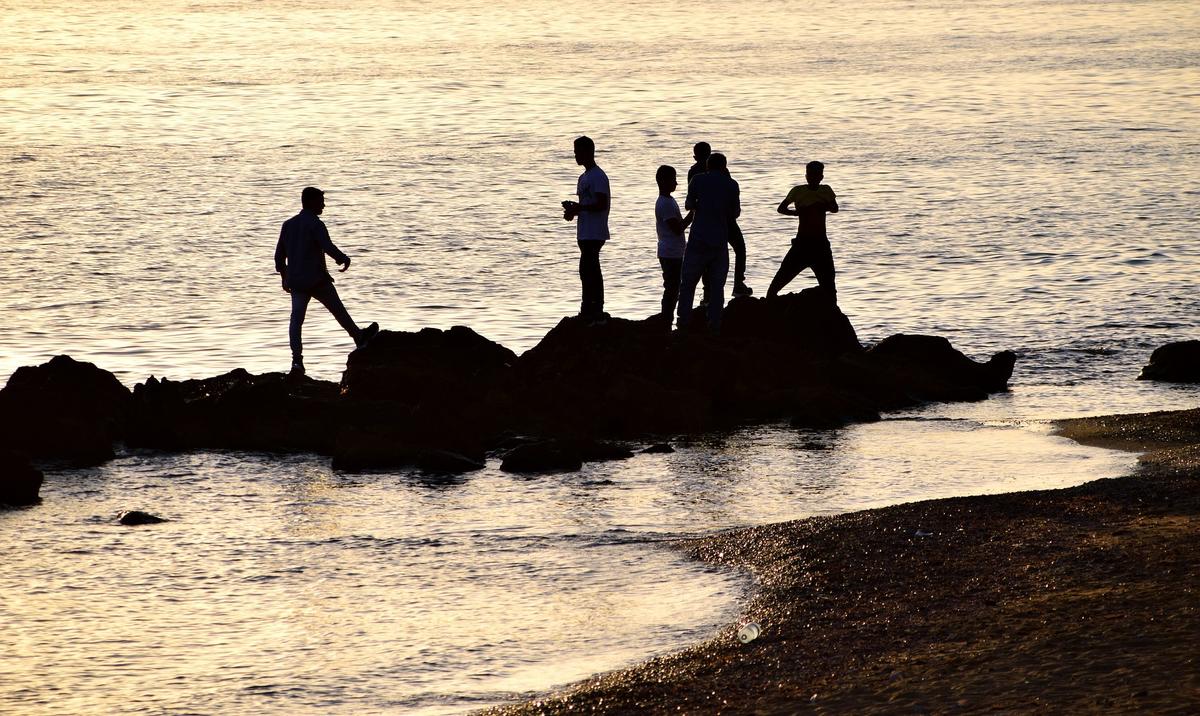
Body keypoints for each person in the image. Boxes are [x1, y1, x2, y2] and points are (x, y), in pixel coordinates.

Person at [275, 187, 378, 377]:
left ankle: (297, 361)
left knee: (296, 321)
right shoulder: (315, 224)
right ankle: (358, 337)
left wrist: (284, 278)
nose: (324, 204)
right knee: (338, 310)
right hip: (317, 280)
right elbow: (327, 246)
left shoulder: (288, 225)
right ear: (311, 202)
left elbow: (279, 256)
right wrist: (343, 258)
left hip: (297, 281)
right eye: (321, 201)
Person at [678, 153, 739, 332]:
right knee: (717, 286)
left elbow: (689, 205)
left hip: (698, 238)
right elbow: (735, 213)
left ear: (707, 166)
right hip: (719, 240)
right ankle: (714, 324)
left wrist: (700, 204)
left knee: (688, 283)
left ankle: (683, 321)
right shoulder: (732, 184)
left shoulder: (697, 180)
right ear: (724, 167)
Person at [766, 160, 839, 301]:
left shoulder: (826, 190)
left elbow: (835, 208)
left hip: (820, 245)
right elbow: (781, 208)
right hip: (802, 244)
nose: (813, 177)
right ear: (806, 176)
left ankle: (831, 313)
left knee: (829, 286)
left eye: (816, 175)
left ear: (821, 177)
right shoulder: (798, 191)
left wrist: (823, 206)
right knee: (780, 279)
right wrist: (797, 213)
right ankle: (769, 304)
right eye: (810, 174)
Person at [687, 141, 752, 297]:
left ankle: (707, 291)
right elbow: (733, 207)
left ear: (695, 156)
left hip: (703, 223)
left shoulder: (694, 174)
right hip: (725, 221)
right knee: (739, 249)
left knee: (705, 256)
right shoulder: (726, 175)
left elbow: (690, 202)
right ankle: (738, 284)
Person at [561, 136, 611, 324]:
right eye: (575, 151)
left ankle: (595, 309)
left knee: (591, 268)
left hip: (595, 231)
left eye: (578, 151)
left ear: (588, 152)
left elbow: (601, 204)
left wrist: (579, 208)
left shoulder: (598, 176)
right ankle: (588, 307)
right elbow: (586, 204)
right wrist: (572, 211)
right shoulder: (583, 177)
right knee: (586, 269)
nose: (575, 155)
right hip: (584, 231)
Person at [654, 165, 692, 320]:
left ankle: (667, 317)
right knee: (672, 288)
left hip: (672, 251)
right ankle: (666, 317)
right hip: (670, 253)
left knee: (673, 287)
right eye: (673, 179)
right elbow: (678, 229)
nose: (676, 183)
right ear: (662, 181)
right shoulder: (666, 204)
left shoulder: (668, 201)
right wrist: (693, 213)